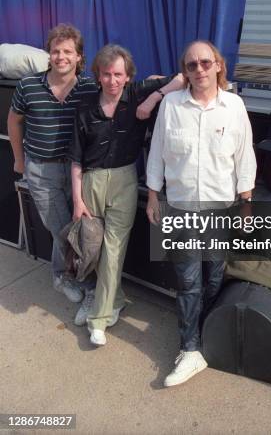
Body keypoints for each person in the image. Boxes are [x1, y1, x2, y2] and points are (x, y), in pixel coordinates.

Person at [146, 40, 257, 387]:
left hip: (221, 207)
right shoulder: (171, 106)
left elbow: (245, 156)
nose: (199, 70)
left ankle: (206, 333)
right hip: (181, 206)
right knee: (190, 281)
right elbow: (157, 152)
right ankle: (189, 348)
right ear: (185, 70)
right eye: (191, 65)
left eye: (205, 63)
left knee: (213, 277)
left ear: (218, 66)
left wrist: (246, 203)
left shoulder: (234, 106)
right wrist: (153, 196)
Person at [68, 44, 184, 346]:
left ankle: (99, 318)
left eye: (118, 74)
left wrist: (155, 97)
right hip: (91, 182)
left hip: (124, 180)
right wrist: (78, 200)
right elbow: (77, 159)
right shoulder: (85, 106)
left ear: (128, 75)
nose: (112, 80)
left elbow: (183, 78)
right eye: (106, 74)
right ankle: (113, 300)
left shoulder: (137, 94)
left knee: (114, 250)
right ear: (98, 75)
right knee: (90, 247)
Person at [8, 24, 98, 308]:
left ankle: (71, 276)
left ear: (79, 57)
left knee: (81, 229)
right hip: (41, 171)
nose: (61, 57)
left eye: (68, 51)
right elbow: (14, 121)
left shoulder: (88, 87)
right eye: (56, 51)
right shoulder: (28, 86)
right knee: (61, 230)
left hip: (77, 171)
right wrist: (19, 160)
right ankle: (66, 278)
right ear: (49, 54)